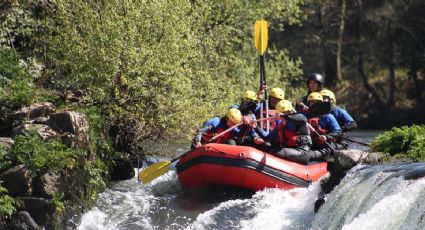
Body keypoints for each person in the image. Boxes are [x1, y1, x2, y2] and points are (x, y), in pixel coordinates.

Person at [259, 100, 313, 164]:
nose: (278, 115)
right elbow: (267, 137)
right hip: (290, 149)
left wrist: (286, 116)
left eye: (281, 113)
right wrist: (255, 127)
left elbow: (303, 120)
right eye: (277, 113)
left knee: (271, 151)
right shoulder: (282, 124)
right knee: (265, 146)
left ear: (288, 112)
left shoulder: (299, 117)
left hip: (302, 151)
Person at [306, 92, 342, 161]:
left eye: (316, 102)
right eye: (312, 102)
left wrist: (326, 137)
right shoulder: (305, 116)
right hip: (309, 145)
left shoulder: (328, 116)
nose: (314, 105)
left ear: (321, 104)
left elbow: (338, 131)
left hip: (324, 147)